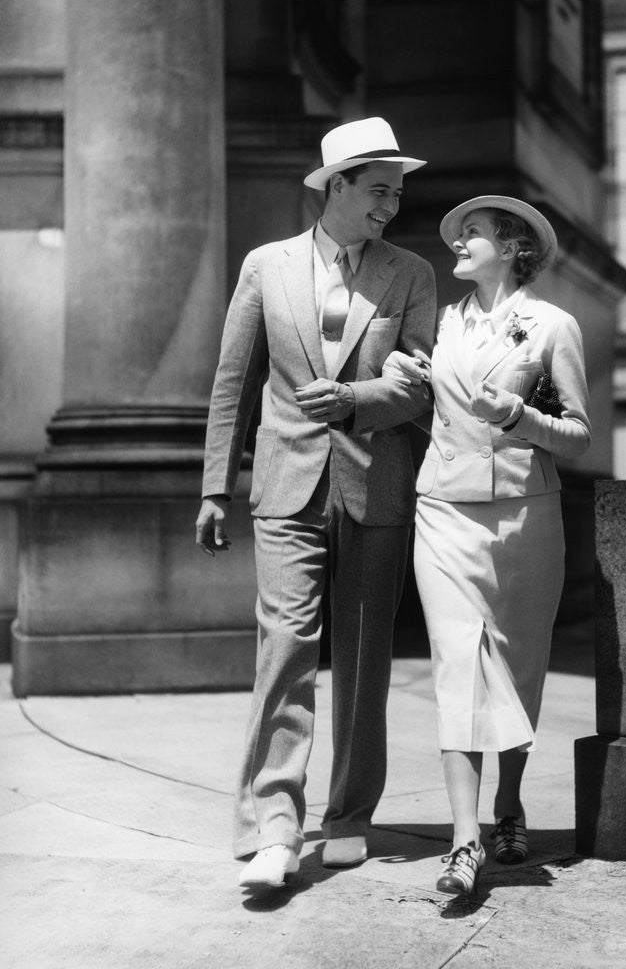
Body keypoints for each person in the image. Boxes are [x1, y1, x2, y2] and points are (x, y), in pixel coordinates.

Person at [196, 117, 436, 892]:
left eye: (397, 193)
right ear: (333, 186)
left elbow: (420, 382)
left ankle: (350, 816)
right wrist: (213, 486)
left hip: (377, 483)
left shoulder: (411, 273)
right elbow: (233, 380)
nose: (390, 206)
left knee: (366, 658)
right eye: (377, 190)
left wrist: (357, 397)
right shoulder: (265, 266)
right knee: (286, 649)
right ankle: (274, 825)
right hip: (284, 484)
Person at [383, 195, 591, 895]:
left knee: (516, 665)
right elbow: (428, 410)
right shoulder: (440, 325)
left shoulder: (553, 326)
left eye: (471, 233)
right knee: (457, 667)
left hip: (524, 519)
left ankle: (509, 804)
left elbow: (580, 434)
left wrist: (522, 415)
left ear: (511, 245)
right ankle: (464, 840)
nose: (458, 243)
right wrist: (405, 384)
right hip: (442, 512)